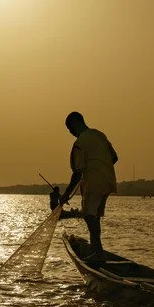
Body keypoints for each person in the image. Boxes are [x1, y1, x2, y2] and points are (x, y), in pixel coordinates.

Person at [60, 112, 118, 261]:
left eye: (69, 128)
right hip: (108, 181)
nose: (70, 132)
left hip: (93, 184)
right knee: (95, 216)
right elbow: (114, 157)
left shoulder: (80, 142)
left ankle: (98, 254)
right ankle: (97, 250)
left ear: (75, 123)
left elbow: (77, 173)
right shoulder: (99, 135)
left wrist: (65, 195)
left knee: (89, 216)